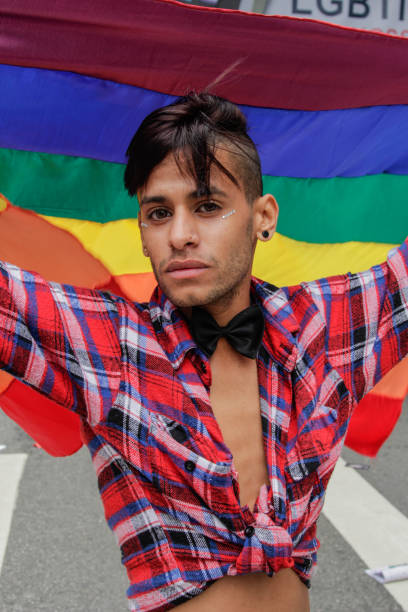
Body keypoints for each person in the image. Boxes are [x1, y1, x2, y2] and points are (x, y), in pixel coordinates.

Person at [1, 92, 408, 612]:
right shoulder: (110, 343)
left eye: (208, 206)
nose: (180, 235)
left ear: (263, 216)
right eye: (157, 213)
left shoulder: (320, 327)